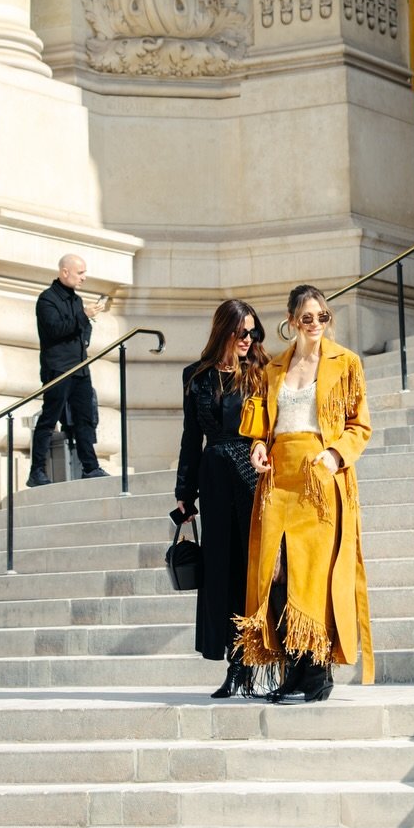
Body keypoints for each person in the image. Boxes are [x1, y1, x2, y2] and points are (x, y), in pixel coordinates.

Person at [237, 284, 374, 702]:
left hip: (320, 476)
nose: (316, 324)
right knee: (276, 572)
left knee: (313, 573)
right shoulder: (273, 368)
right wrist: (258, 447)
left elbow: (359, 424)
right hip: (279, 479)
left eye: (323, 317)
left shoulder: (345, 362)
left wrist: (336, 455)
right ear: (292, 322)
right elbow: (260, 426)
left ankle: (318, 672)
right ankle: (293, 667)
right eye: (308, 318)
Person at [173, 298, 268, 698]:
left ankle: (257, 658)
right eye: (241, 331)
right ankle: (235, 663)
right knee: (221, 570)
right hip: (213, 476)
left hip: (252, 473)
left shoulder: (261, 373)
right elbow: (191, 436)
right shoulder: (196, 376)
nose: (248, 339)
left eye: (253, 332)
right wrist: (184, 490)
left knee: (252, 568)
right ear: (224, 331)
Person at [29, 253, 108, 485]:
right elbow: (55, 330)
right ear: (65, 272)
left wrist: (85, 324)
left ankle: (90, 467)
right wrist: (83, 316)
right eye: (80, 272)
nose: (84, 277)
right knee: (49, 418)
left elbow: (80, 332)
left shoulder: (76, 300)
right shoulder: (47, 300)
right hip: (58, 370)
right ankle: (36, 471)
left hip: (80, 369)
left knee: (84, 419)